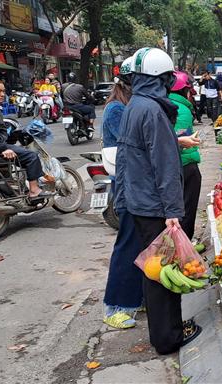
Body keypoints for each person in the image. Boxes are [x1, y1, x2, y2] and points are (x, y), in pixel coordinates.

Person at [115, 47, 200, 354]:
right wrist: (174, 211)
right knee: (163, 273)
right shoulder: (152, 110)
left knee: (153, 270)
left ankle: (164, 331)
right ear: (161, 79)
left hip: (139, 201)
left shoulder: (135, 105)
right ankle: (168, 337)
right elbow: (164, 164)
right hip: (154, 205)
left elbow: (130, 154)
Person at [101, 58, 143, 329]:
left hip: (137, 185)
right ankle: (115, 307)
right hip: (127, 184)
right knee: (127, 247)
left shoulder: (129, 106)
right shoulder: (117, 109)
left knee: (138, 246)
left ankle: (135, 299)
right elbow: (133, 142)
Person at [168, 71, 203, 239]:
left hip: (168, 168)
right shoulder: (182, 110)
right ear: (185, 91)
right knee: (187, 210)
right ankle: (184, 245)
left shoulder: (163, 104)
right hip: (185, 165)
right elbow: (181, 138)